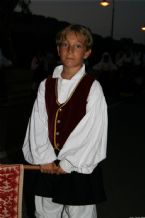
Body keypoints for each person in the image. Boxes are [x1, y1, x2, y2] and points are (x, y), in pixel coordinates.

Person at [22, 24, 108, 218]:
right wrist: (45, 158)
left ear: (87, 52)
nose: (70, 50)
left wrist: (68, 163)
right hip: (48, 164)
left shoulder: (93, 87)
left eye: (77, 46)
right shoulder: (46, 84)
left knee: (78, 213)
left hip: (78, 165)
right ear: (58, 49)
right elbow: (38, 123)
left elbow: (91, 131)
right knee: (45, 211)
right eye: (65, 45)